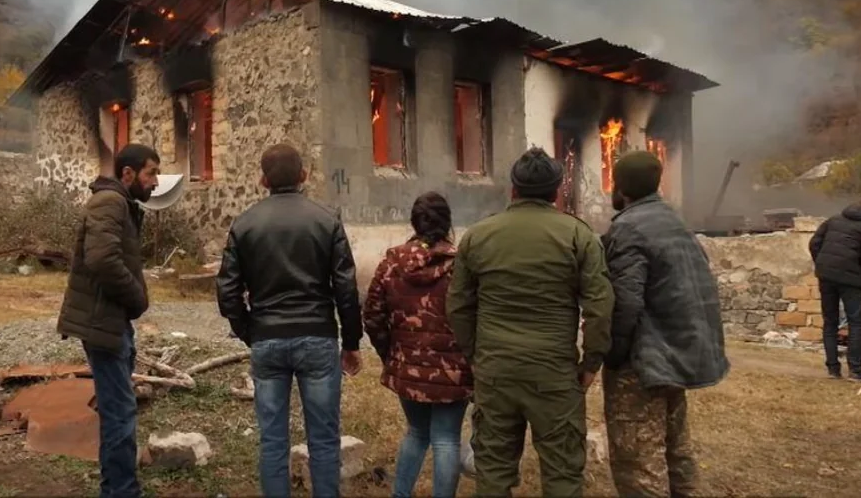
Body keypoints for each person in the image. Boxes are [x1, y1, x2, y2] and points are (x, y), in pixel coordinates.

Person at [447, 147, 614, 498]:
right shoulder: (578, 236)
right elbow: (600, 308)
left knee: (493, 471)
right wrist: (591, 363)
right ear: (556, 191)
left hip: (495, 371)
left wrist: (475, 356)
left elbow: (459, 306)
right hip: (554, 373)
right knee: (563, 473)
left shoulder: (478, 235)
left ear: (513, 189)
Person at [217, 144, 363, 498]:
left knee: (272, 442)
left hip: (267, 338)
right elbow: (345, 286)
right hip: (317, 336)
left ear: (263, 180)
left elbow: (227, 290)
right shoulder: (327, 219)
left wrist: (249, 331)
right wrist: (351, 342)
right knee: (324, 440)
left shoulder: (244, 224)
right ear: (304, 175)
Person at [601, 151, 728, 498]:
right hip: (677, 354)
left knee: (638, 462)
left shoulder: (628, 228)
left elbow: (626, 301)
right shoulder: (675, 222)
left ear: (620, 187)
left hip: (643, 363)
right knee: (676, 451)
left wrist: (612, 354)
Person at [56, 144, 160, 498]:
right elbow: (102, 259)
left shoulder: (119, 203)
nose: (155, 182)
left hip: (111, 320)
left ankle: (115, 487)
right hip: (102, 321)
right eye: (151, 173)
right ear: (127, 173)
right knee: (120, 412)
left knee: (118, 408)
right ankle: (122, 491)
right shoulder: (109, 202)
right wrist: (138, 298)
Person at [363, 192, 472, 498]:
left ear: (414, 222)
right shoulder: (461, 265)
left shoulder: (392, 262)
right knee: (446, 439)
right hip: (454, 371)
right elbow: (476, 313)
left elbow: (372, 315)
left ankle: (400, 494)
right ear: (447, 223)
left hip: (407, 366)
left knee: (417, 432)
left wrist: (390, 353)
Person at [809, 193, 861, 382]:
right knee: (855, 323)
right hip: (851, 279)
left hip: (826, 276)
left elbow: (814, 243)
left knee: (830, 321)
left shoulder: (834, 220)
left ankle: (833, 369)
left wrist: (822, 264)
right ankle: (856, 370)